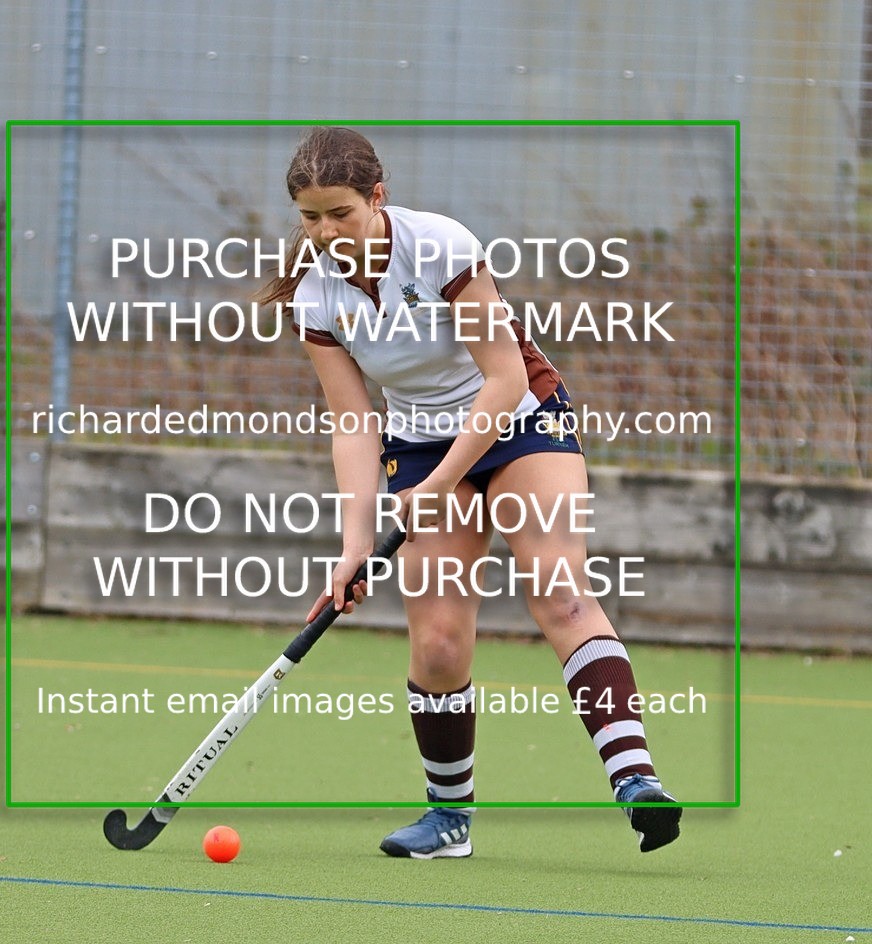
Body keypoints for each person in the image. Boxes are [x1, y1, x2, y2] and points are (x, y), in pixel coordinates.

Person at [258, 126, 681, 859]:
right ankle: (448, 820)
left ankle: (636, 779)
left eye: (341, 214)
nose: (326, 232)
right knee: (442, 642)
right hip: (418, 443)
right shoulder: (316, 296)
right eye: (309, 218)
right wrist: (356, 544)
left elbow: (506, 376)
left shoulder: (442, 246)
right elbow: (353, 425)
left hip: (519, 422)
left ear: (377, 197)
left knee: (559, 590)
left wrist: (444, 482)